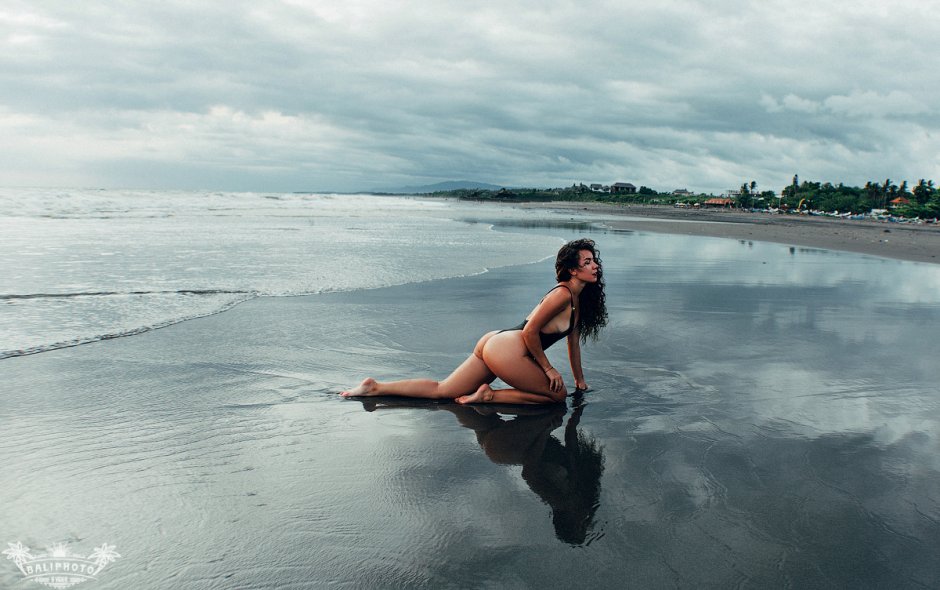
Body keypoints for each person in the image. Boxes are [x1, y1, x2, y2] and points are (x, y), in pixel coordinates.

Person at [341, 238, 608, 404]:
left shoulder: (574, 299)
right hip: (509, 349)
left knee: (442, 390)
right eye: (587, 261)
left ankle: (374, 387)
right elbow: (530, 332)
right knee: (557, 397)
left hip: (496, 343)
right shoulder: (562, 294)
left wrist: (580, 380)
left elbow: (573, 341)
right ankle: (489, 395)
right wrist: (549, 369)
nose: (594, 264)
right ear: (573, 270)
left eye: (593, 259)